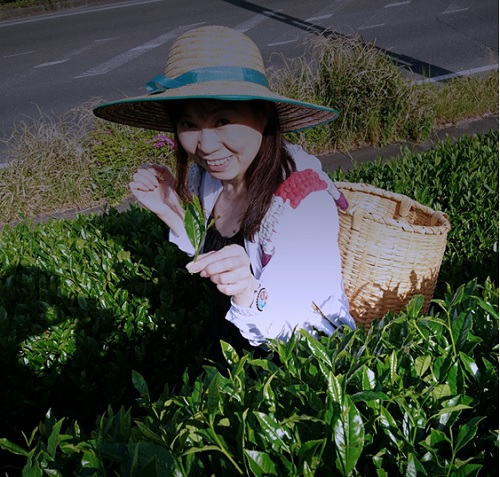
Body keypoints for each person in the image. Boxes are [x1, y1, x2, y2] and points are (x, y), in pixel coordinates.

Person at [93, 25, 356, 356]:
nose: (205, 145)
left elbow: (298, 326)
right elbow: (205, 249)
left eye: (221, 121)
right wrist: (168, 206)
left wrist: (247, 289)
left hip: (286, 372)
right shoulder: (208, 179)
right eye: (189, 124)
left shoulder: (303, 203)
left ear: (262, 116)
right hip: (229, 349)